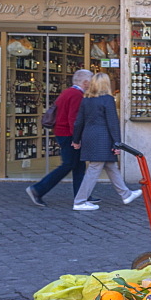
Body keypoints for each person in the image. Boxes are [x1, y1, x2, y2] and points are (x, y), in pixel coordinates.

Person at [71, 73, 141, 211]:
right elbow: (112, 122)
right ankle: (80, 201)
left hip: (89, 136)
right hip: (103, 138)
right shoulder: (108, 99)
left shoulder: (86, 100)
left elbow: (79, 122)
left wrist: (76, 140)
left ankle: (125, 194)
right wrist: (117, 143)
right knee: (94, 168)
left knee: (110, 166)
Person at [26, 69, 93, 207]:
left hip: (62, 132)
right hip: (68, 134)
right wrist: (77, 139)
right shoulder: (76, 95)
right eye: (91, 81)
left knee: (78, 166)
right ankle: (38, 189)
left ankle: (81, 196)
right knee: (68, 164)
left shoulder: (67, 92)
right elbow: (73, 119)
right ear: (85, 82)